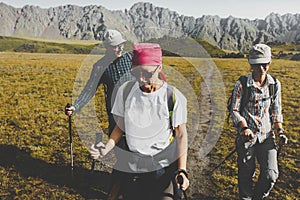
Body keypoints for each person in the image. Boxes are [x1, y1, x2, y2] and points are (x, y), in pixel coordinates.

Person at [90, 43, 190, 200]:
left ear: (159, 67)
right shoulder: (125, 91)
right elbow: (120, 127)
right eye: (136, 73)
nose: (141, 79)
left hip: (162, 167)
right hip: (132, 165)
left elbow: (181, 135)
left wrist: (182, 170)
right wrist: (106, 147)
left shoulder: (173, 97)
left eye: (147, 74)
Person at [64, 29, 133, 199]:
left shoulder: (130, 59)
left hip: (137, 113)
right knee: (120, 152)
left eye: (121, 44)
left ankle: (135, 185)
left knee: (137, 150)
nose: (120, 48)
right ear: (107, 47)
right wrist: (75, 106)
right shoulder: (100, 66)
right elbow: (89, 89)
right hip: (115, 116)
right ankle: (116, 189)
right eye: (115, 46)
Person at [230, 43, 288, 200]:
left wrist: (280, 131)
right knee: (246, 175)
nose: (262, 68)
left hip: (267, 137)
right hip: (246, 139)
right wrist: (244, 128)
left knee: (271, 174)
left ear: (269, 63)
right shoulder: (242, 84)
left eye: (265, 64)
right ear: (251, 64)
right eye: (257, 64)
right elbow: (234, 110)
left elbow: (276, 111)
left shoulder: (275, 85)